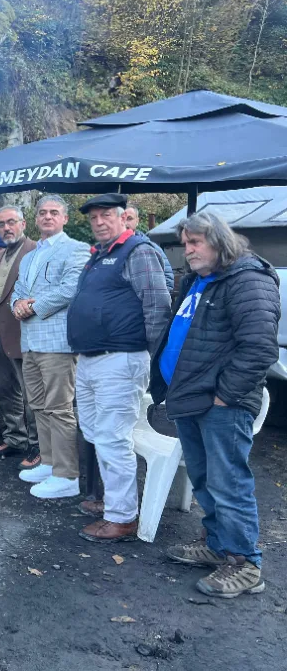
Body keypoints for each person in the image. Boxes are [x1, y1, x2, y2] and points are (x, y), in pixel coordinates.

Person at [150, 212, 280, 598]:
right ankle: (219, 546)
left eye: (195, 243)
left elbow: (259, 348)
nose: (188, 251)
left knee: (229, 482)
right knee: (205, 479)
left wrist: (225, 395)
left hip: (221, 404)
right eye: (185, 243)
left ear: (220, 241)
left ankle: (245, 565)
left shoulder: (247, 279)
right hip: (191, 398)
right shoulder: (200, 280)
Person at [68, 193, 171, 543]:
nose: (98, 221)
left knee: (112, 437)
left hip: (121, 358)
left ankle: (122, 517)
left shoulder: (139, 251)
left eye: (105, 215)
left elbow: (158, 306)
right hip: (92, 359)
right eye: (93, 217)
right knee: (96, 432)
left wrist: (146, 356)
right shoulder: (99, 256)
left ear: (124, 217)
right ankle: (114, 500)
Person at [11, 195, 90, 485]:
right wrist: (17, 305)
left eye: (54, 213)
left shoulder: (76, 249)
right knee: (39, 407)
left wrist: (32, 306)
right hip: (30, 341)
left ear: (65, 218)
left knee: (59, 408)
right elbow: (18, 290)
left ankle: (67, 474)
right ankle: (49, 462)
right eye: (42, 212)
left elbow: (71, 288)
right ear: (35, 218)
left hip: (57, 343)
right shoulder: (30, 256)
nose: (47, 217)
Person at [0, 206, 38, 461]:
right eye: (1, 224)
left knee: (32, 394)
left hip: (23, 333)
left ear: (23, 224)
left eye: (11, 222)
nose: (6, 228)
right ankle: (15, 438)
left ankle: (37, 447)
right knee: (5, 391)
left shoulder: (36, 251)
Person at [123, 204, 175, 291]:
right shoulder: (108, 250)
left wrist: (151, 300)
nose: (126, 223)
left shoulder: (152, 248)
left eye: (129, 218)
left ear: (137, 221)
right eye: (122, 219)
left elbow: (168, 282)